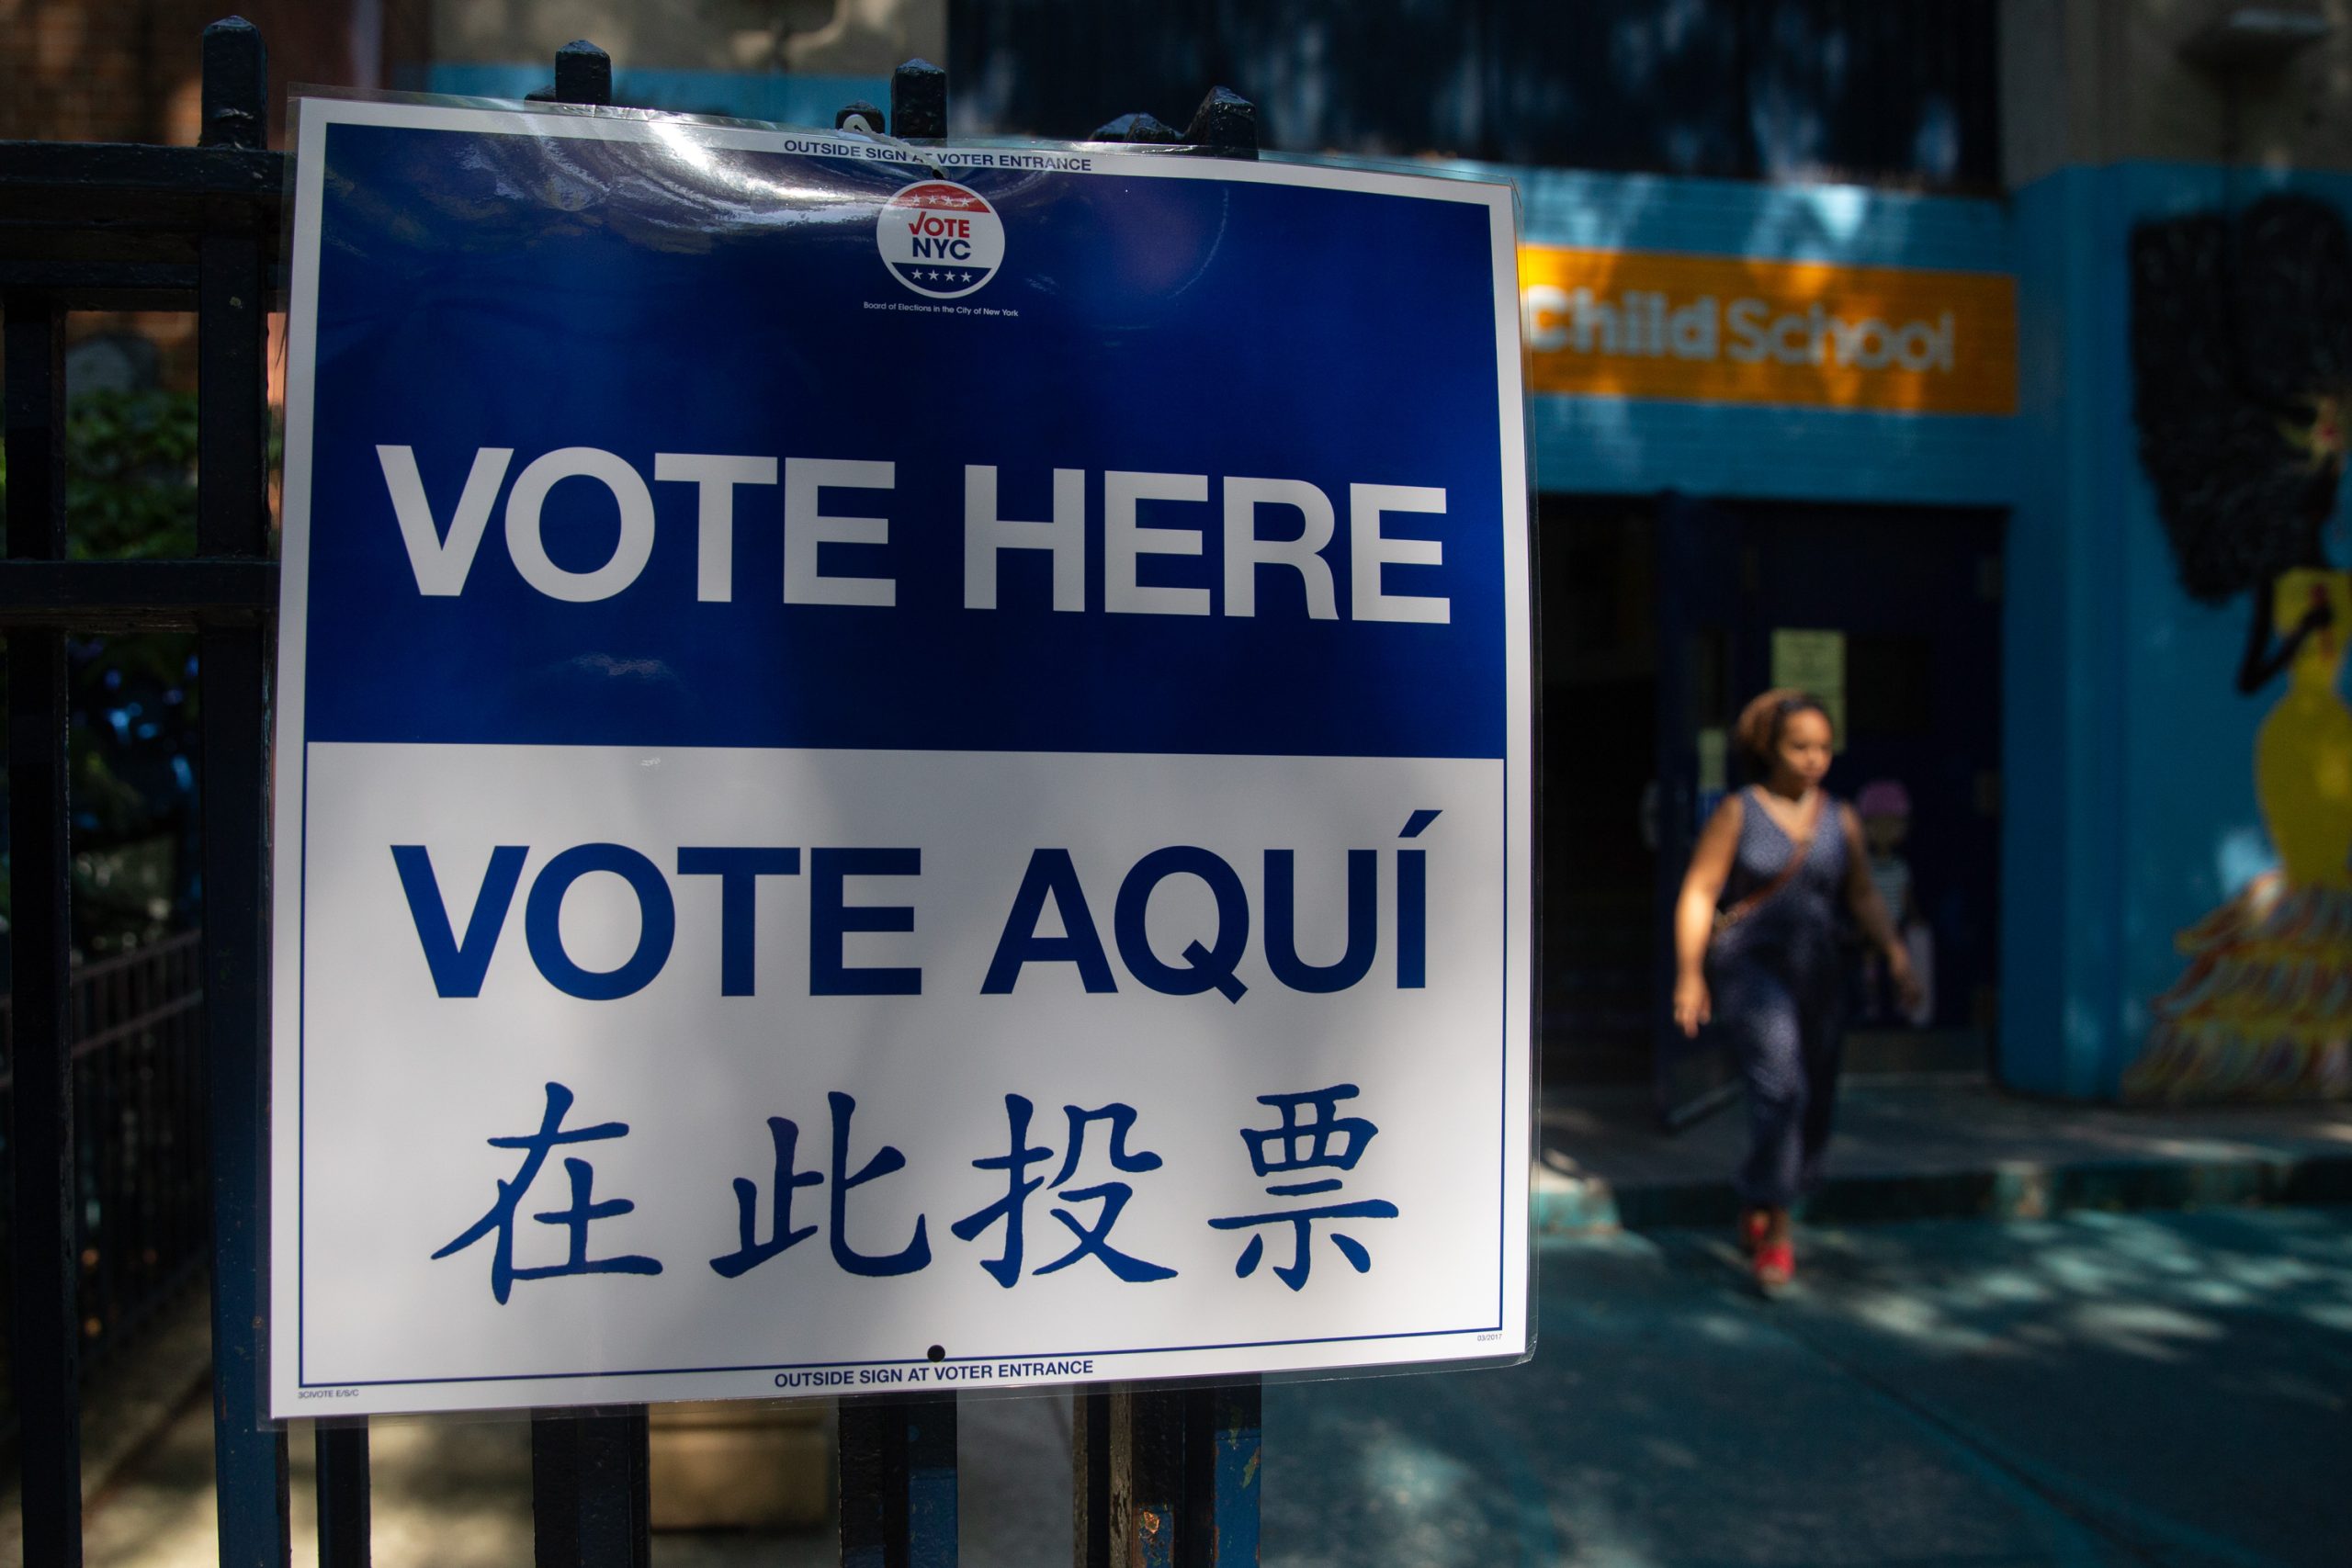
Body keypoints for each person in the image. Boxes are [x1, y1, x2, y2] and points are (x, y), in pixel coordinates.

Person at [1671, 689, 1918, 1292]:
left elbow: (1860, 892)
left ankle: (1763, 1194)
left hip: (1823, 971)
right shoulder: (1739, 810)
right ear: (1770, 749)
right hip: (1753, 968)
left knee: (1816, 1098)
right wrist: (1689, 972)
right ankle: (1776, 1232)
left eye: (1822, 748)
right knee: (1781, 1087)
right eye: (1799, 746)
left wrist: (1895, 953)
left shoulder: (1842, 817)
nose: (1812, 758)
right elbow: (1701, 890)